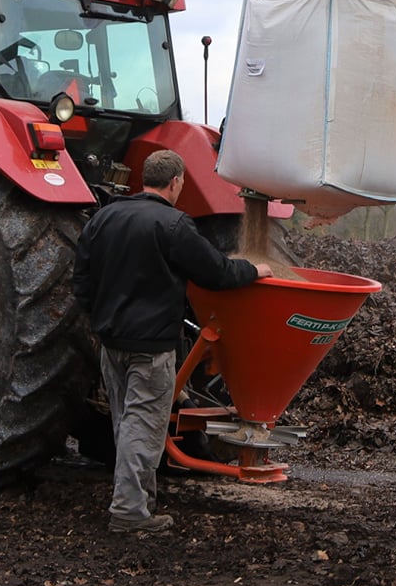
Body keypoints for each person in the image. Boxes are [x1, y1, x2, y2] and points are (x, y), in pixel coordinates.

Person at [73, 150, 270, 534]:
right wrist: (254, 269)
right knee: (142, 428)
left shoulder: (103, 218)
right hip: (151, 348)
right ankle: (130, 513)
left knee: (126, 424)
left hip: (111, 345)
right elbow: (217, 272)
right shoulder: (174, 225)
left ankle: (139, 502)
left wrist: (99, 319)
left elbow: (81, 280)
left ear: (143, 178)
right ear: (176, 182)